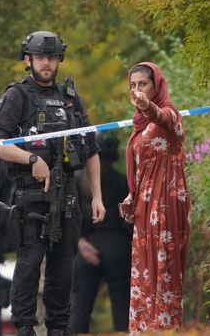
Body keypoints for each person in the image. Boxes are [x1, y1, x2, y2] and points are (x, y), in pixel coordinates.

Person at [0, 30, 105, 336]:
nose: (47, 63)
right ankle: (25, 328)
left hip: (66, 198)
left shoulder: (70, 98)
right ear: (29, 60)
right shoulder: (17, 95)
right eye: (41, 57)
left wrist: (97, 197)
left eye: (52, 57)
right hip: (30, 199)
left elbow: (91, 150)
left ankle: (58, 329)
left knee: (63, 271)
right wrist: (31, 160)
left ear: (59, 59)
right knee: (28, 267)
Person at [120, 62, 192, 333]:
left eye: (143, 84)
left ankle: (165, 329)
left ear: (157, 85)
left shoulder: (169, 114)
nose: (137, 90)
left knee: (164, 271)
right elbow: (142, 164)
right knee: (144, 273)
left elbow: (164, 118)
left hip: (166, 202)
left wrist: (147, 106)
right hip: (143, 205)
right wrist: (131, 194)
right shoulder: (138, 125)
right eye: (133, 86)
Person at [69, 133, 132, 333]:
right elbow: (129, 221)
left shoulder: (79, 182)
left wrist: (79, 243)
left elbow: (70, 218)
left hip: (88, 245)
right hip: (117, 246)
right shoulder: (122, 182)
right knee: (121, 303)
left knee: (80, 304)